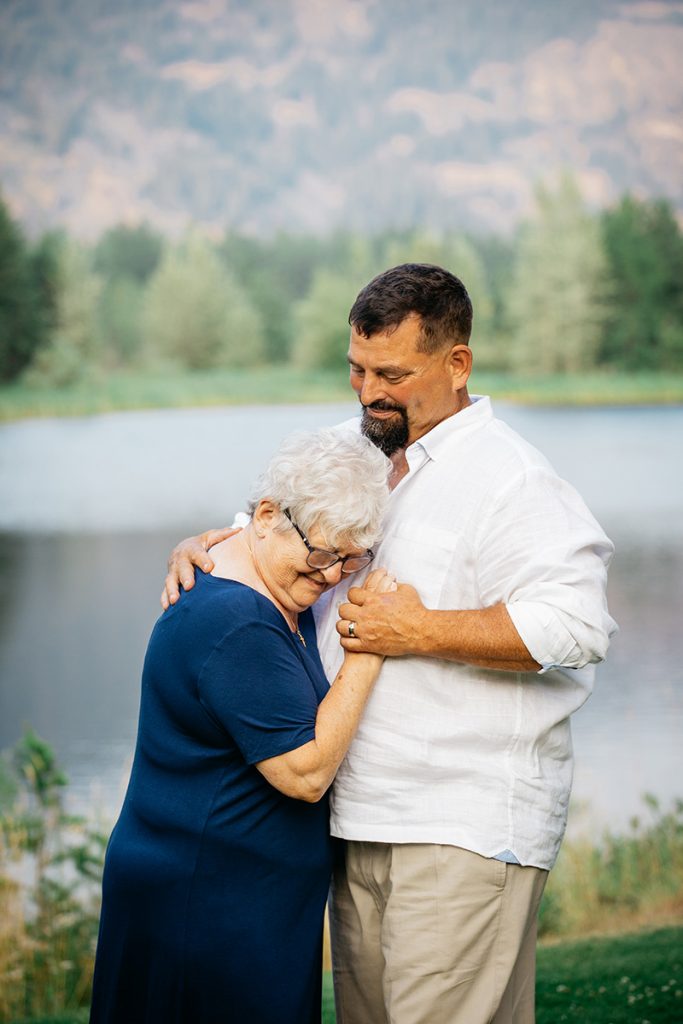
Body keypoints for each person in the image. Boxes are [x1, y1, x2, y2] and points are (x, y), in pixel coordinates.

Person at [163, 263, 618, 1024]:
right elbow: (276, 537)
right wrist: (209, 548)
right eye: (356, 369)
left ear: (456, 363)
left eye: (392, 374)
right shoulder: (352, 445)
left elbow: (576, 626)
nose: (369, 390)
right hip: (352, 821)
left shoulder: (511, 479)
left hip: (459, 826)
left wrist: (417, 632)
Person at [89, 427, 397, 1024]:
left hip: (233, 893)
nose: (334, 576)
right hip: (207, 900)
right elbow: (305, 772)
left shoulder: (267, 578)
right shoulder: (238, 624)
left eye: (350, 559)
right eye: (323, 554)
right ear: (265, 515)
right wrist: (368, 648)